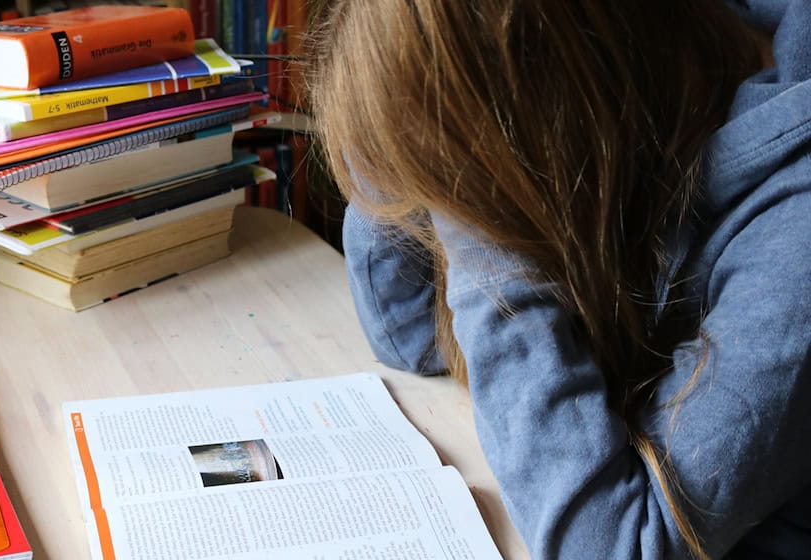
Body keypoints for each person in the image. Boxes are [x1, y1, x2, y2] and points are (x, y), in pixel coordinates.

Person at [306, 1, 810, 558]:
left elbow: (617, 547)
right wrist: (398, 121)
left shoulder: (796, 230)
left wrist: (477, 196)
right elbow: (408, 333)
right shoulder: (646, 117)